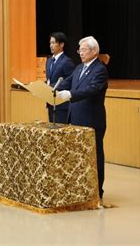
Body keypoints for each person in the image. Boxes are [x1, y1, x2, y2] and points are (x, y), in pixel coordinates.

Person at [56, 36, 108, 205]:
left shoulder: (100, 70)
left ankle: (97, 192)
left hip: (92, 120)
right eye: (79, 50)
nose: (80, 53)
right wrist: (48, 89)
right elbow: (67, 83)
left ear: (94, 51)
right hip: (76, 119)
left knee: (95, 157)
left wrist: (71, 94)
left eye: (83, 50)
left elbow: (91, 89)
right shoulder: (79, 68)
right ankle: (79, 190)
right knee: (77, 158)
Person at [45, 32, 75, 123]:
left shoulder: (67, 61)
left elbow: (70, 81)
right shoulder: (49, 61)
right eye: (50, 43)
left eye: (54, 43)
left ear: (61, 44)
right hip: (50, 102)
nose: (51, 45)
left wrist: (51, 87)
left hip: (62, 105)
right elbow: (49, 80)